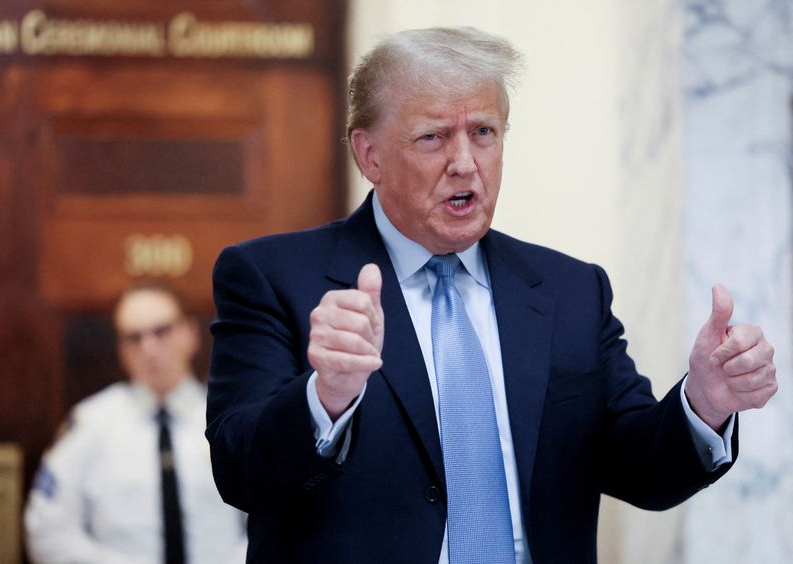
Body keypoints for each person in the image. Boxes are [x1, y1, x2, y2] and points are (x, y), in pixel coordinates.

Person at [206, 27, 778, 564]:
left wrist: (705, 404)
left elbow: (640, 471)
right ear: (369, 154)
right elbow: (240, 474)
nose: (465, 164)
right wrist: (325, 397)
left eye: (483, 132)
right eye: (433, 137)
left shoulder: (570, 290)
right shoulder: (272, 276)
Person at [25, 284, 247, 564]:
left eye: (161, 331)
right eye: (134, 337)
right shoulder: (90, 425)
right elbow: (48, 530)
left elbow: (269, 521)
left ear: (190, 334)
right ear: (121, 349)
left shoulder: (231, 419)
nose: (149, 348)